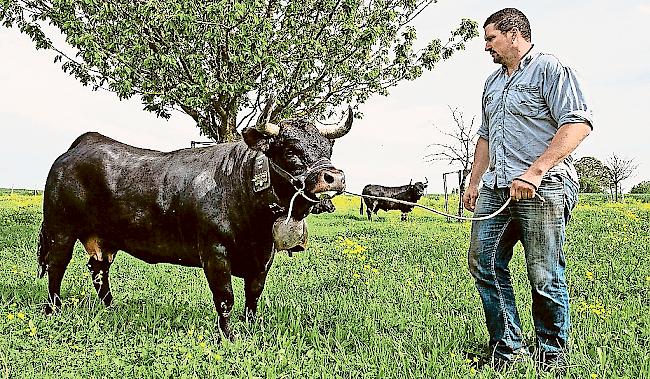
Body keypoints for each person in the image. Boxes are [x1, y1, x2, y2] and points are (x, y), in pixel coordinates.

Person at [462, 8, 593, 370]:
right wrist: (474, 182)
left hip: (543, 187)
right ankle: (508, 348)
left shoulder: (551, 69)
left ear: (514, 34)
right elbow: (486, 136)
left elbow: (578, 123)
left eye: (490, 38)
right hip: (496, 189)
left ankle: (552, 355)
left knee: (543, 273)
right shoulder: (492, 82)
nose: (486, 46)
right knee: (483, 263)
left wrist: (535, 171)